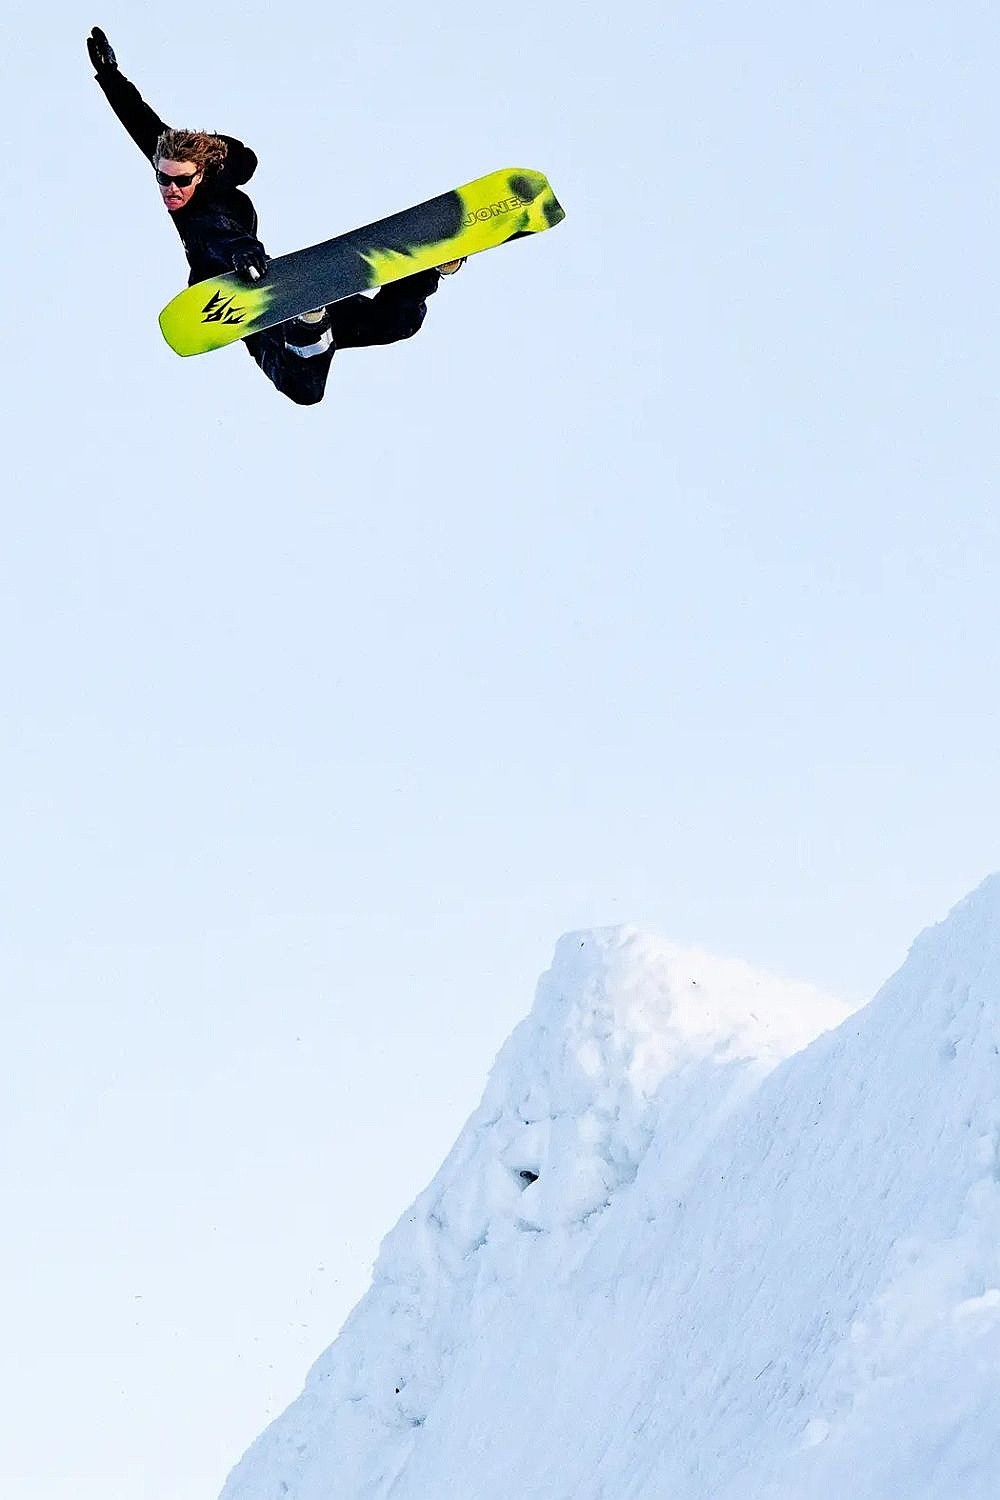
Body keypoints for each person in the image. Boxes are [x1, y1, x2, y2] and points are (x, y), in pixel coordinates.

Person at [85, 27, 464, 406]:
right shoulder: (176, 164)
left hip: (248, 293)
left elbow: (218, 234)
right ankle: (329, 311)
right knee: (396, 324)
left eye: (181, 181)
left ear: (201, 173)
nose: (171, 189)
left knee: (315, 380)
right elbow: (141, 122)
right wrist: (110, 76)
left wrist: (242, 254)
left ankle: (330, 314)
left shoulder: (204, 208)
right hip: (264, 283)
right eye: (162, 178)